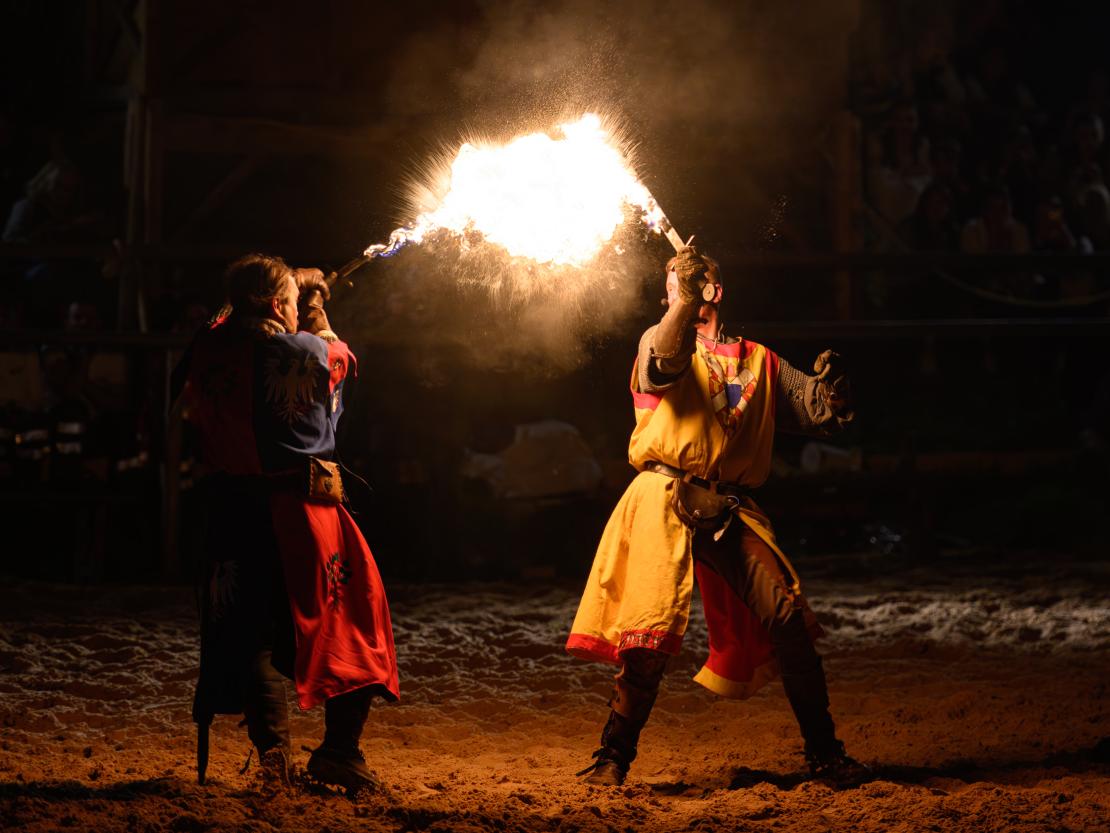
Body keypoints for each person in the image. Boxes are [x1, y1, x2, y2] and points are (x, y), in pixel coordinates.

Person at [567, 247, 865, 787]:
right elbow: (665, 365)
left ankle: (826, 756)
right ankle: (612, 758)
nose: (669, 290)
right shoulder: (658, 337)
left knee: (788, 618)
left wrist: (832, 392)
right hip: (663, 495)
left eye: (681, 282)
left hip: (730, 505)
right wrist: (683, 299)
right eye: (669, 283)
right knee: (648, 640)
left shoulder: (762, 360)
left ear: (715, 291)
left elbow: (819, 413)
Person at [173, 254, 399, 793]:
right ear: (278, 305)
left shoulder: (207, 346)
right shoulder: (300, 350)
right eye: (291, 302)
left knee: (252, 632)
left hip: (231, 513)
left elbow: (216, 339)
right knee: (355, 622)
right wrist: (319, 311)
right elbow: (338, 364)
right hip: (302, 516)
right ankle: (340, 753)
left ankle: (274, 752)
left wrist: (274, 303)